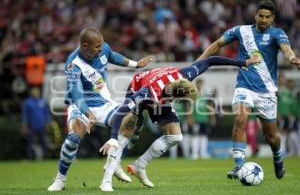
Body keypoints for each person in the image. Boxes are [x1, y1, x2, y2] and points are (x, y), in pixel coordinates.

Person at [99, 55, 259, 191]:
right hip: (138, 85)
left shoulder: (186, 75)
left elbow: (209, 61)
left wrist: (241, 63)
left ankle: (139, 166)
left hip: (162, 95)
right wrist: (112, 136)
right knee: (129, 129)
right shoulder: (147, 93)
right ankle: (107, 179)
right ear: (176, 95)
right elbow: (121, 111)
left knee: (175, 136)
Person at [197, 0, 300, 180]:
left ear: (272, 18)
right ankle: (238, 165)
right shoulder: (241, 31)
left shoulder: (277, 33)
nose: (263, 19)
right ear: (255, 15)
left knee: (271, 137)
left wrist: (292, 58)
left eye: (267, 17)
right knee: (240, 118)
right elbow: (218, 44)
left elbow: (286, 49)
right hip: (245, 86)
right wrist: (200, 62)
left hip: (267, 92)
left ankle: (277, 155)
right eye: (261, 15)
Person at [47, 27, 153, 191]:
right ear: (85, 46)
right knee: (73, 139)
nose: (100, 49)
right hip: (81, 105)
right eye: (97, 47)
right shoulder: (73, 64)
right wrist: (87, 112)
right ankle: (60, 179)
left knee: (134, 119)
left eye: (101, 45)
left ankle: (114, 163)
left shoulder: (103, 48)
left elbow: (113, 56)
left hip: (104, 104)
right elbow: (76, 94)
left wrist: (136, 64)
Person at [22, 87, 51, 160]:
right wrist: (24, 125)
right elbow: (25, 115)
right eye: (34, 92)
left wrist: (47, 122)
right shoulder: (28, 102)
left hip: (42, 126)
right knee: (29, 142)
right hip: (31, 126)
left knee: (43, 142)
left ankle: (45, 157)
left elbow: (46, 113)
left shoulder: (43, 102)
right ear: (32, 93)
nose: (36, 93)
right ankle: (29, 157)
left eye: (37, 92)